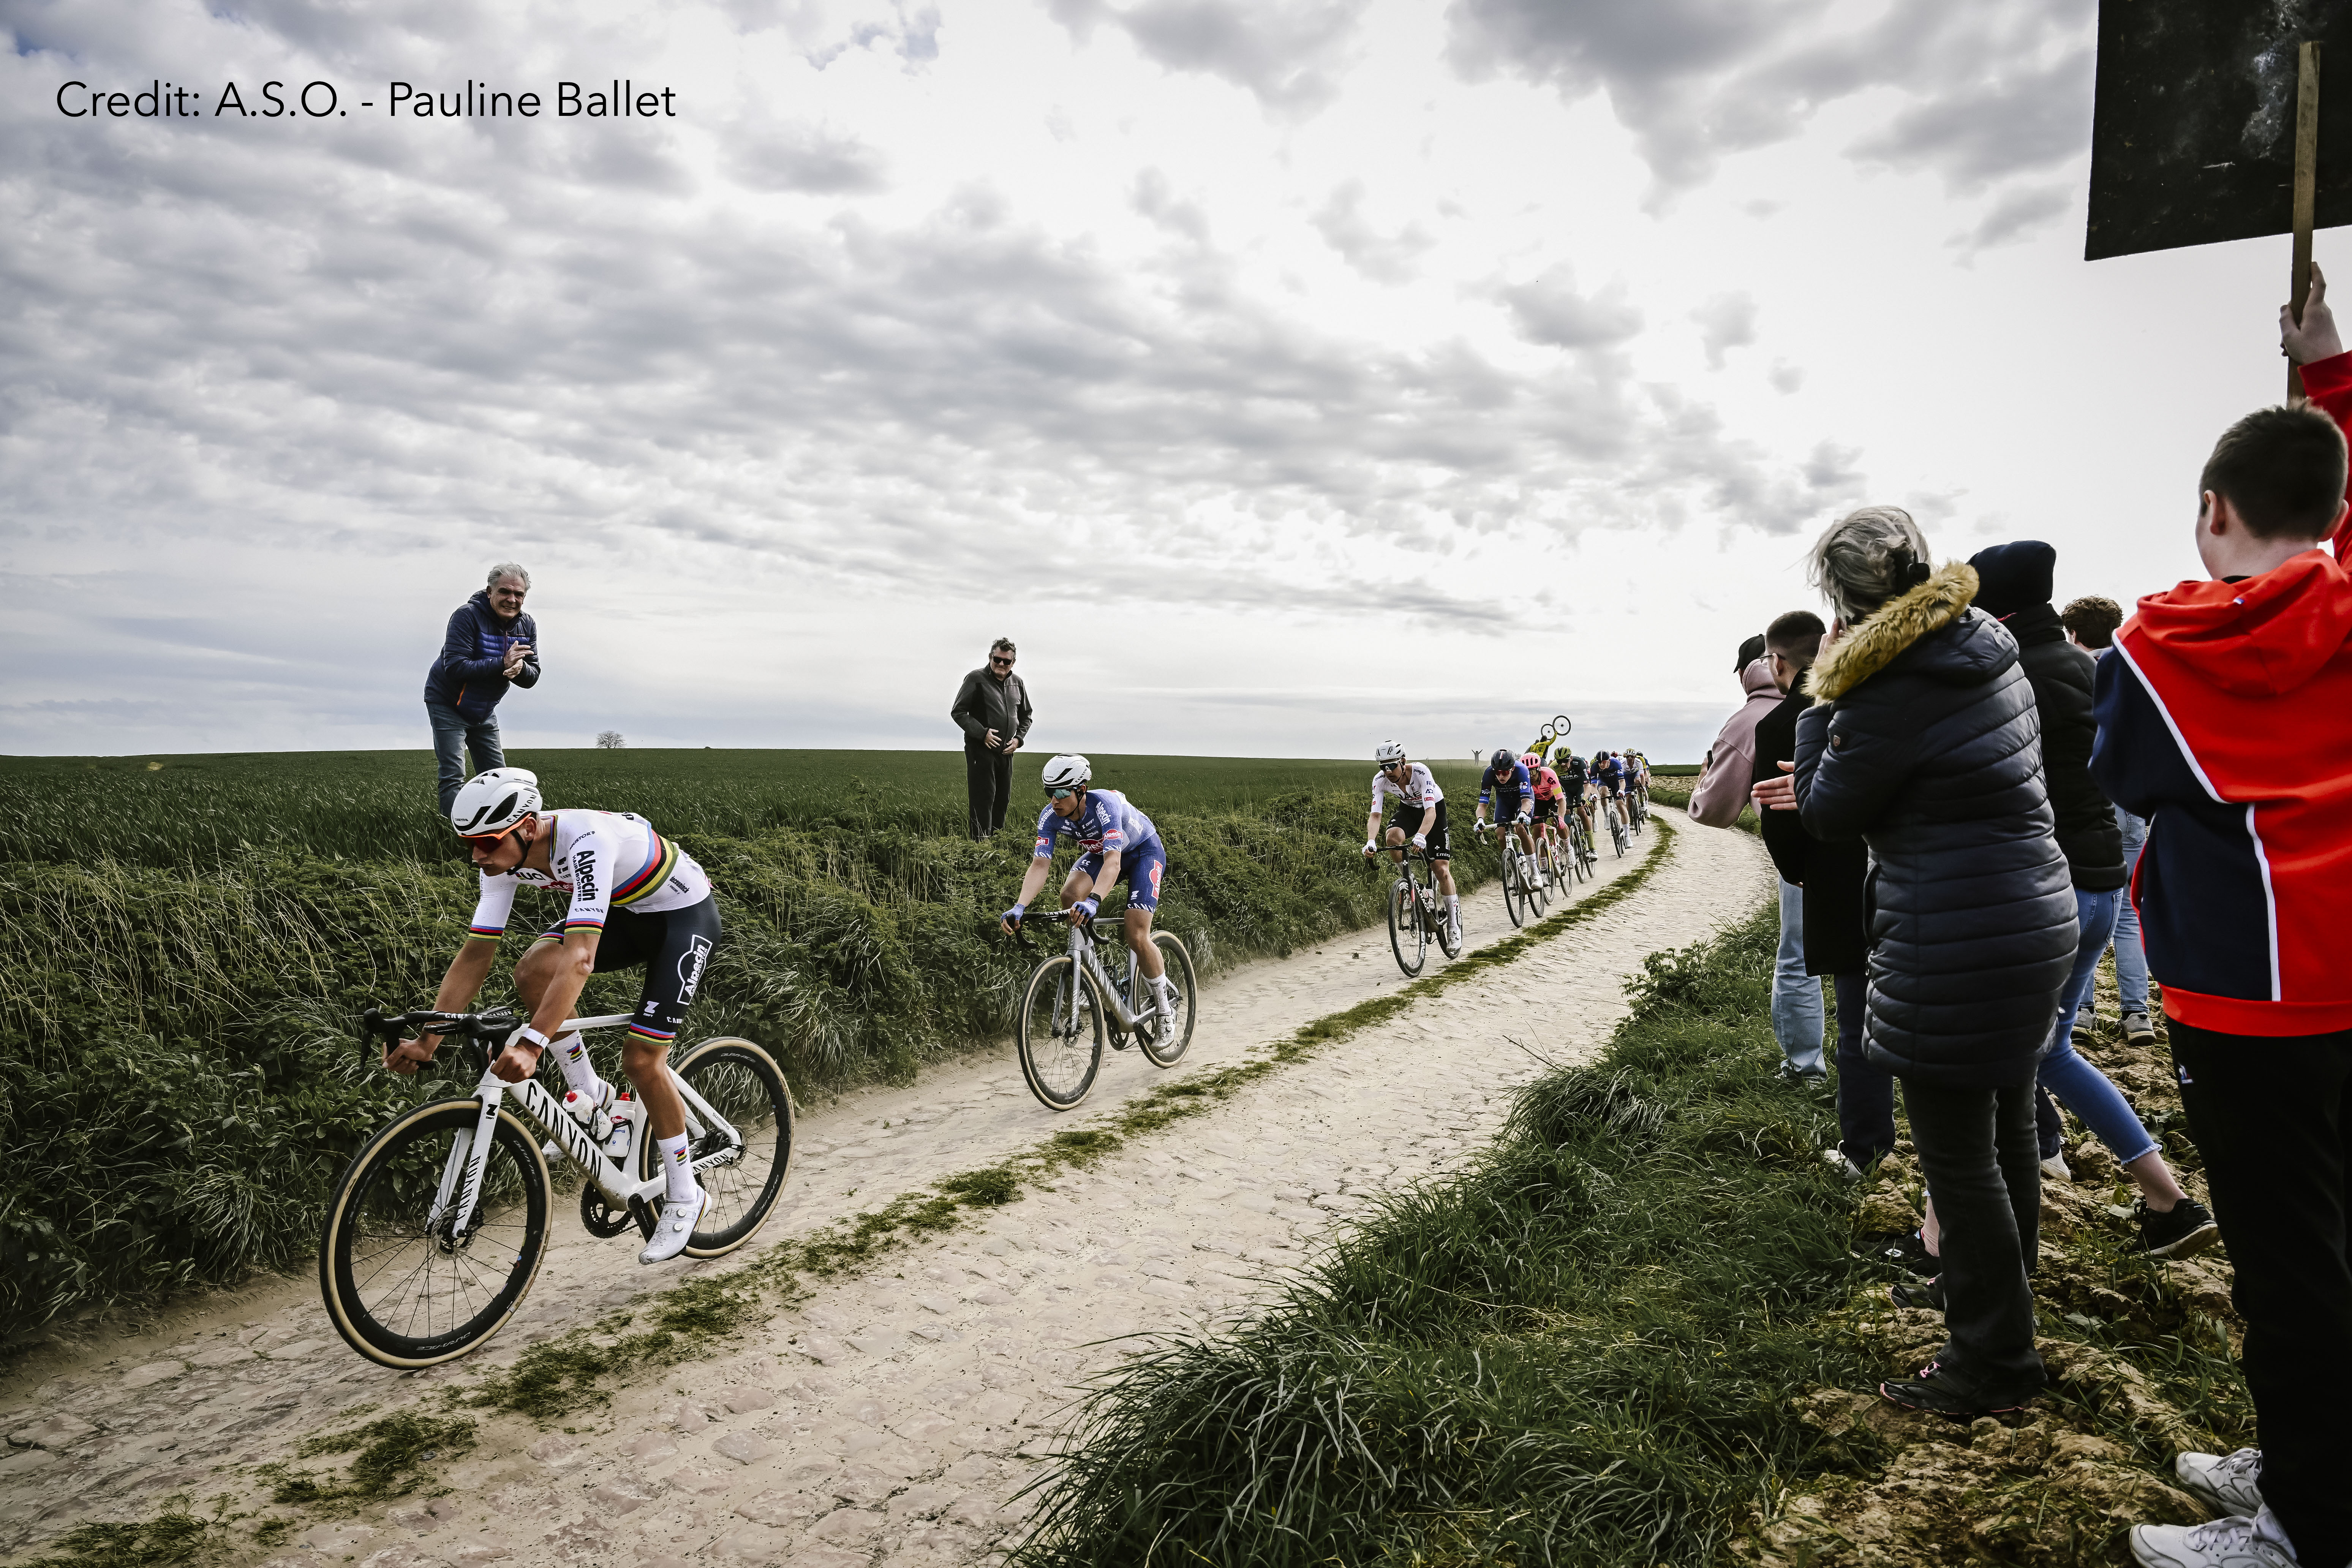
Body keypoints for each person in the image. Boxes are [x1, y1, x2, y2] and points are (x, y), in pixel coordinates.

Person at [2109, 271, 2352, 1568]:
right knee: (2331, 1246)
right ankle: (2310, 1457)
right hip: (2349, 978)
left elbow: (2126, 777)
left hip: (2242, 995)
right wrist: (2333, 378)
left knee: (2288, 1269)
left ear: (2211, 510)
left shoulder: (2158, 642)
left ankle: (2302, 1526)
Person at [1792, 504, 2075, 1419]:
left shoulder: (1884, 685)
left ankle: (1991, 1361)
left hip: (1952, 931)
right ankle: (1996, 1304)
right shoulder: (1985, 635)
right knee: (2002, 1133)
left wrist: (1818, 701)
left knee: (1959, 1158)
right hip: (2032, 907)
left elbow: (1829, 810)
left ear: (1844, 598)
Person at [1968, 542, 2217, 1259]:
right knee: (2048, 1049)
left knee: (1988, 1056)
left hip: (2044, 889)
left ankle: (1947, 1239)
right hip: (2104, 880)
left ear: (1996, 608)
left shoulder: (2007, 677)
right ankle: (2162, 1197)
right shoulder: (2091, 665)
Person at [383, 768, 718, 1265]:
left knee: (643, 1061)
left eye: (487, 843)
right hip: (627, 914)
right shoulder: (502, 860)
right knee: (532, 971)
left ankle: (686, 1194)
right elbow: (476, 954)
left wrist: (533, 1044)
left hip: (681, 919)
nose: (478, 855)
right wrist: (429, 1039)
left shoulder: (585, 842)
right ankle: (593, 1097)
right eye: (469, 844)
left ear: (525, 829)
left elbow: (581, 959)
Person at [1749, 611, 1856, 1094]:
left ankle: (1805, 1070)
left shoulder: (1778, 723)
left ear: (1776, 661)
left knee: (1798, 962)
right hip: (1889, 862)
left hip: (1819, 867)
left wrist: (1795, 871)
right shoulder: (1865, 702)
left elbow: (1777, 817)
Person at [1001, 754, 1176, 1023]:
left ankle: (1165, 1011)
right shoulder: (1050, 816)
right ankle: (1089, 972)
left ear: (1081, 790)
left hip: (1142, 852)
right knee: (1070, 896)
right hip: (1101, 853)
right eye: (1049, 792)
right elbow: (1040, 865)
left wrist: (1094, 900)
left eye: (1060, 792)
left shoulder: (1105, 806)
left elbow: (1114, 862)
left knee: (1136, 934)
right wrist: (1020, 906)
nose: (1054, 800)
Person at [2060, 594, 2155, 1048]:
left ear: (2073, 634)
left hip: (2086, 806)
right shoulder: (2135, 671)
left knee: (2085, 906)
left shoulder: (2071, 672)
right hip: (2131, 803)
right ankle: (2138, 1013)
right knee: (2129, 915)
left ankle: (2082, 1009)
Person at [424, 564, 539, 816]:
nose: (512, 600)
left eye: (519, 595)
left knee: (499, 778)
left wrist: (520, 669)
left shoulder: (526, 625)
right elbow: (455, 667)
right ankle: (453, 834)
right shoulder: (466, 616)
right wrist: (503, 663)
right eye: (505, 592)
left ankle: (499, 837)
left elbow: (533, 676)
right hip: (447, 702)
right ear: (490, 592)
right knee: (454, 775)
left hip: (485, 708)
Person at [1363, 741, 1460, 946]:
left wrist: (1422, 836)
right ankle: (1411, 884)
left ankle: (1454, 925)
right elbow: (1376, 815)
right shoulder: (1380, 781)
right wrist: (1371, 841)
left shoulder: (1420, 772)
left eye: (1392, 765)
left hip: (1433, 810)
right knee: (1392, 838)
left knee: (1441, 870)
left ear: (1403, 761)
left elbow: (1430, 812)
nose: (1388, 771)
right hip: (1408, 810)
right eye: (1383, 767)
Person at [951, 638, 1033, 840]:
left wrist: (1018, 740)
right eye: (998, 659)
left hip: (1006, 751)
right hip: (981, 750)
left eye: (1007, 661)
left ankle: (997, 848)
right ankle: (979, 849)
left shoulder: (1018, 683)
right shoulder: (975, 679)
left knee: (1002, 800)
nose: (1001, 664)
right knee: (983, 800)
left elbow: (1026, 716)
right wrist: (982, 733)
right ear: (991, 657)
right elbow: (959, 712)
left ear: (1013, 662)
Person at [1691, 648, 1780, 828]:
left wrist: (1702, 779)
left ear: (1742, 675)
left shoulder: (1742, 725)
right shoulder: (1829, 701)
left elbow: (1710, 811)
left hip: (1797, 844)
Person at [1474, 748, 1534, 855]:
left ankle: (1534, 869)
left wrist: (1523, 813)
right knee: (1501, 835)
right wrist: (1480, 820)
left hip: (1521, 800)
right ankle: (1511, 866)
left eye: (1505, 772)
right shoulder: (1488, 774)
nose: (1501, 776)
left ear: (1513, 768)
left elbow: (1526, 802)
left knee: (1521, 829)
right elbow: (1482, 805)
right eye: (1497, 772)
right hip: (1504, 801)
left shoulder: (1522, 770)